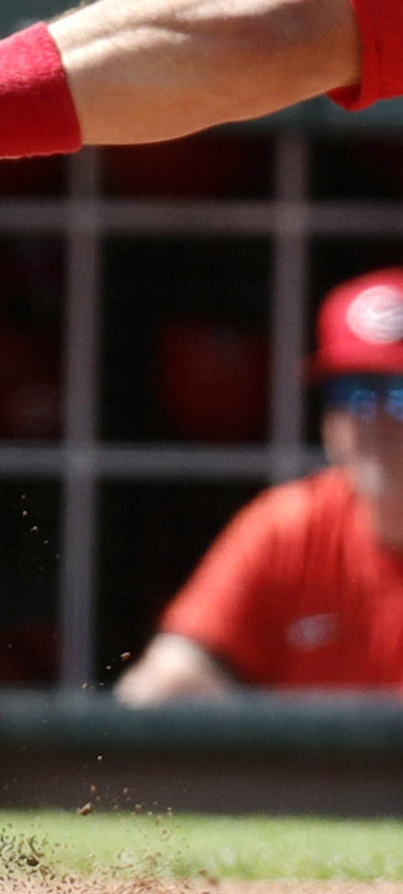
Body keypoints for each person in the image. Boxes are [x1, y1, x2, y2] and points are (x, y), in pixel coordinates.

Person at [118, 268, 403, 698]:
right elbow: (164, 686)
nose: (375, 419)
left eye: (400, 393)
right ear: (327, 418)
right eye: (352, 392)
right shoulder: (289, 528)